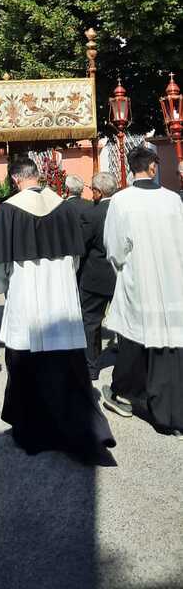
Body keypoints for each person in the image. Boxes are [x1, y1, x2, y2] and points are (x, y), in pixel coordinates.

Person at [0, 156, 115, 462]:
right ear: (38, 175)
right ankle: (74, 427)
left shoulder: (9, 210)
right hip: (61, 294)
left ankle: (33, 428)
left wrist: (5, 288)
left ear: (15, 179)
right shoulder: (63, 206)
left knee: (26, 362)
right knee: (65, 363)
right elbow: (76, 256)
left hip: (27, 295)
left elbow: (0, 264)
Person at [102, 146, 183, 438]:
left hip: (139, 278)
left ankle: (134, 395)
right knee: (169, 342)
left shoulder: (121, 201)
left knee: (137, 337)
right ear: (152, 167)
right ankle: (165, 406)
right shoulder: (173, 199)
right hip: (173, 279)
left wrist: (122, 268)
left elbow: (114, 247)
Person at [78, 172, 118, 379]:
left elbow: (82, 245)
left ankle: (91, 367)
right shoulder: (123, 210)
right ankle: (129, 363)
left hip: (95, 275)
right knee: (125, 321)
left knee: (91, 322)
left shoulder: (91, 214)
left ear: (98, 192)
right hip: (120, 274)